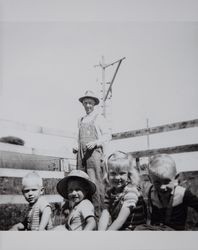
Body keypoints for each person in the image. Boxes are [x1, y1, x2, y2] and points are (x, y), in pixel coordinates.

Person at [73, 90, 112, 217]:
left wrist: (96, 143)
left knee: (95, 182)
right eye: (85, 103)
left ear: (94, 104)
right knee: (82, 181)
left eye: (90, 103)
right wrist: (75, 146)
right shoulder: (81, 120)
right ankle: (84, 214)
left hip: (94, 155)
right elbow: (77, 137)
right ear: (82, 104)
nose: (88, 105)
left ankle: (98, 214)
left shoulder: (99, 118)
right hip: (81, 156)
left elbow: (107, 136)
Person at [136, 154, 198, 231]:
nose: (162, 187)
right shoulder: (150, 192)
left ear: (176, 177)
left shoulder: (182, 193)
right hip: (156, 231)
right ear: (150, 179)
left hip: (175, 234)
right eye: (157, 182)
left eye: (166, 181)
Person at [98, 151, 147, 230]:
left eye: (122, 173)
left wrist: (106, 236)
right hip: (120, 229)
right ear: (107, 174)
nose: (117, 177)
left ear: (128, 174)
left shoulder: (131, 191)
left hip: (134, 229)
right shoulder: (110, 192)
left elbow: (120, 220)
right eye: (113, 173)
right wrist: (100, 233)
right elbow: (105, 213)